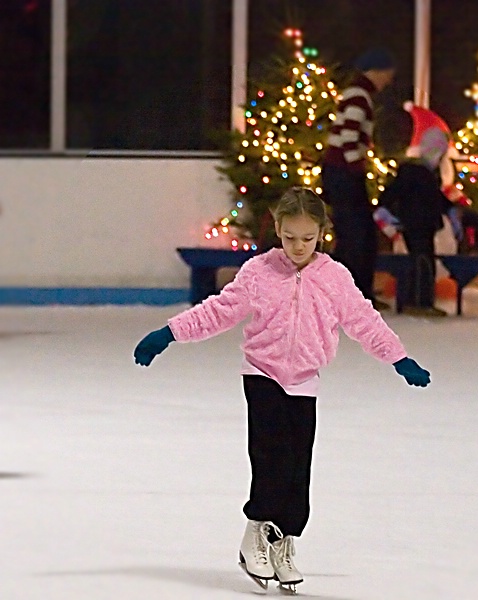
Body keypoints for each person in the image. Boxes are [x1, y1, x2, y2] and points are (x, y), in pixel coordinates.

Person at [133, 187, 430, 594]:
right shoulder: (259, 272)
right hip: (262, 374)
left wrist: (398, 358)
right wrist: (169, 332)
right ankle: (254, 534)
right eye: (289, 237)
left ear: (322, 234)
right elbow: (219, 310)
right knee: (270, 459)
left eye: (307, 239)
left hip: (305, 381)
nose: (297, 247)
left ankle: (284, 541)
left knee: (297, 471)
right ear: (277, 229)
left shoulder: (334, 278)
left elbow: (364, 320)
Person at [322, 48, 396, 309]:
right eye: (387, 73)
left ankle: (355, 294)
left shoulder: (358, 94)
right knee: (357, 235)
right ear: (375, 72)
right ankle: (351, 296)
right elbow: (349, 137)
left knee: (356, 234)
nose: (389, 79)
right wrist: (357, 170)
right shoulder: (358, 96)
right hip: (344, 173)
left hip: (341, 172)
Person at [377, 127, 460, 316]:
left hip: (418, 224)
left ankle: (416, 300)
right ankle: (420, 302)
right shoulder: (419, 173)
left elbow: (433, 197)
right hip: (418, 224)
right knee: (423, 262)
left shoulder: (419, 172)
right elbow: (432, 198)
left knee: (421, 260)